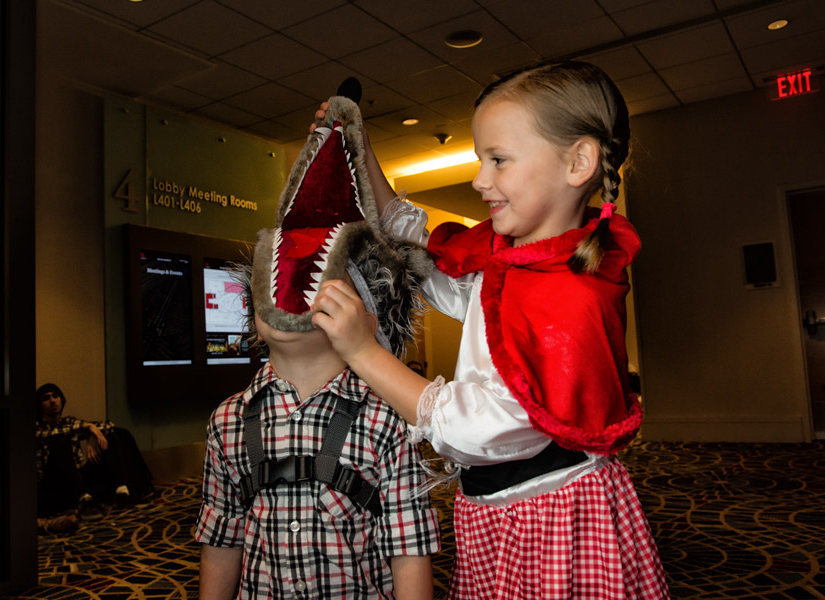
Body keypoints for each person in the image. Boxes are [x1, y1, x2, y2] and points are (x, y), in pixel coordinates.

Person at [311, 61, 670, 599]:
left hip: (550, 523)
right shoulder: (511, 259)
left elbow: (482, 428)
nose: (480, 180)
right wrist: (360, 151)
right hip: (501, 515)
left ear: (579, 162)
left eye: (498, 160)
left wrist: (363, 352)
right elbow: (425, 256)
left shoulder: (570, 297)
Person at [195, 95, 440, 599]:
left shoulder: (387, 421)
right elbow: (221, 541)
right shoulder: (227, 421)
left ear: (365, 317)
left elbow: (409, 551)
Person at [35, 383, 154, 521]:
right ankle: (84, 501)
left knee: (115, 434)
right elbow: (56, 434)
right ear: (39, 405)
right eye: (46, 398)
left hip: (79, 477)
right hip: (55, 484)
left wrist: (92, 435)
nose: (52, 401)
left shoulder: (68, 422)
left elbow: (108, 425)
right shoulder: (38, 427)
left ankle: (123, 491)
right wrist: (90, 428)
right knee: (60, 441)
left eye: (55, 396)